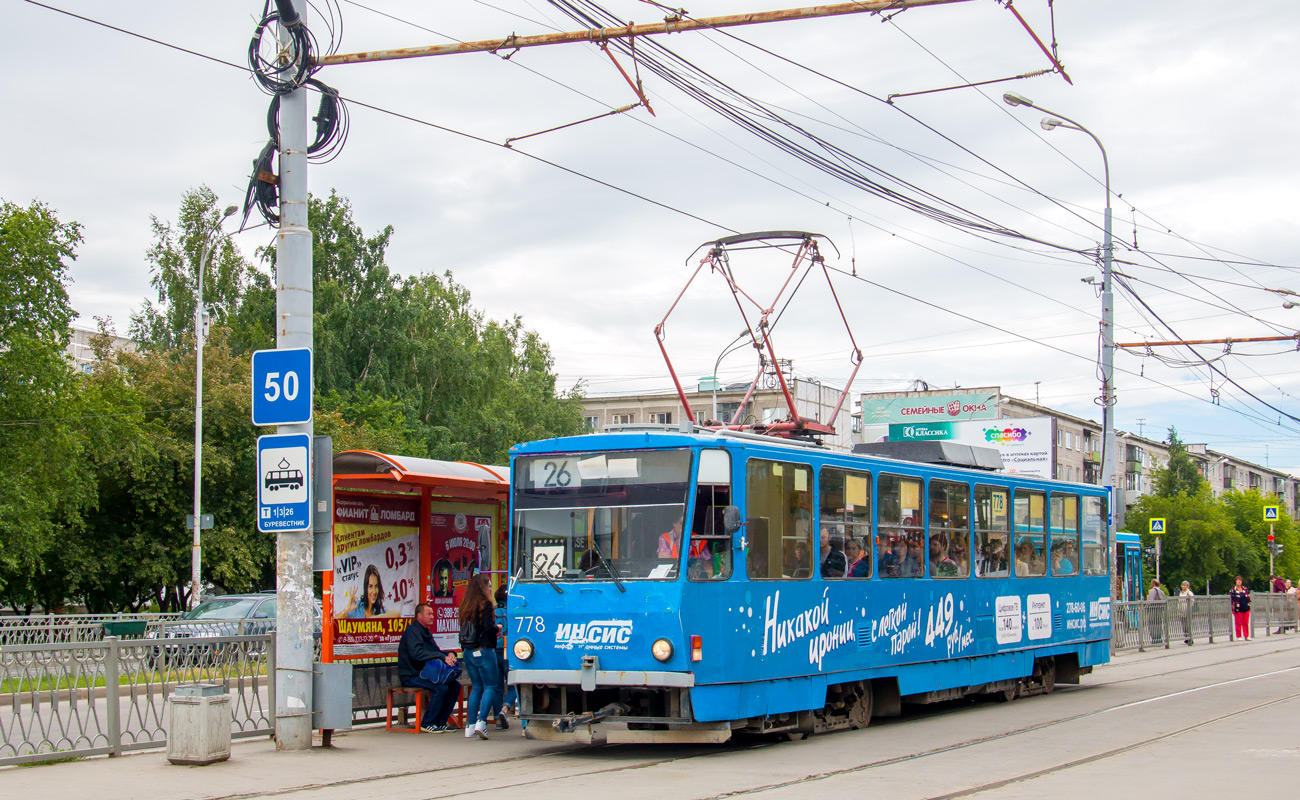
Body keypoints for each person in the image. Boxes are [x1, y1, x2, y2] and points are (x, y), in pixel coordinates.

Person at [396, 603, 461, 733]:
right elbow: (417, 654)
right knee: (440, 688)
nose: (432, 617)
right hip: (412, 675)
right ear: (419, 616)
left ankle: (441, 722)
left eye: (432, 614)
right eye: (429, 614)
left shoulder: (426, 631)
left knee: (455, 686)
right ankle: (427, 723)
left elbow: (435, 651)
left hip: (426, 674)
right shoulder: (413, 631)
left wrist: (450, 654)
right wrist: (441, 656)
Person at [458, 574, 501, 740]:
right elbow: (488, 627)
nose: (490, 589)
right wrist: (498, 628)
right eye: (489, 586)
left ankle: (469, 725)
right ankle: (481, 722)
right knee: (490, 686)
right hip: (484, 650)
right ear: (483, 588)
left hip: (468, 652)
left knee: (476, 687)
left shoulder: (465, 605)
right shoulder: (486, 604)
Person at [493, 584, 516, 729]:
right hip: (509, 651)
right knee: (514, 684)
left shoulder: (493, 612)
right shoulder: (514, 612)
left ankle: (497, 718)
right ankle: (505, 708)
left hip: (494, 650)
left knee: (497, 687)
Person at [1229, 575, 1251, 641]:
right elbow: (1231, 599)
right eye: (1238, 580)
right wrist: (1232, 606)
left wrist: (1249, 605)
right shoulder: (1233, 590)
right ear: (1235, 581)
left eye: (1240, 580)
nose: (1239, 582)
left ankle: (1246, 636)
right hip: (1237, 609)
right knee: (1238, 622)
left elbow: (1248, 598)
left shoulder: (1245, 589)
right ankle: (1239, 636)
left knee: (1246, 622)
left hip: (1246, 608)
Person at [1178, 581, 1195, 645]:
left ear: (1188, 586)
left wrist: (1188, 608)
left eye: (1185, 585)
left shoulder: (1189, 593)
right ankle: (1186, 637)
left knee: (1188, 625)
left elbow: (1192, 601)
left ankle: (1190, 638)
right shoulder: (1181, 593)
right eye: (1182, 585)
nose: (1183, 586)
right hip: (1181, 611)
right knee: (1183, 625)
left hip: (1187, 611)